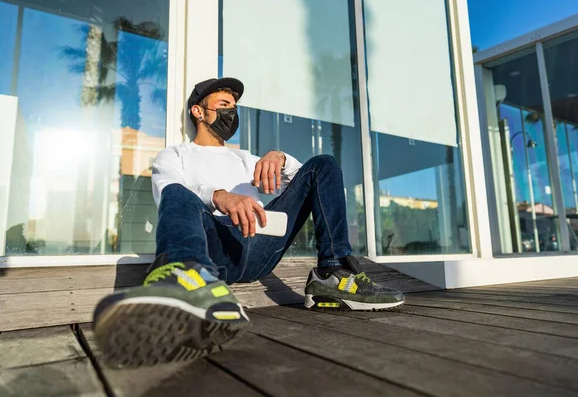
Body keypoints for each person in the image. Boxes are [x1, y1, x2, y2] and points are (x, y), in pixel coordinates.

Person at [93, 77, 405, 368]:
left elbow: (311, 184)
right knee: (177, 192)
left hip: (258, 248)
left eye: (234, 107)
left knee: (324, 164)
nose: (232, 113)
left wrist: (278, 157)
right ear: (198, 111)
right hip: (212, 248)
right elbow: (167, 194)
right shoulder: (175, 155)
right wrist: (220, 197)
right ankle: (185, 283)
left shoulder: (246, 159)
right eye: (224, 105)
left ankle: (333, 276)